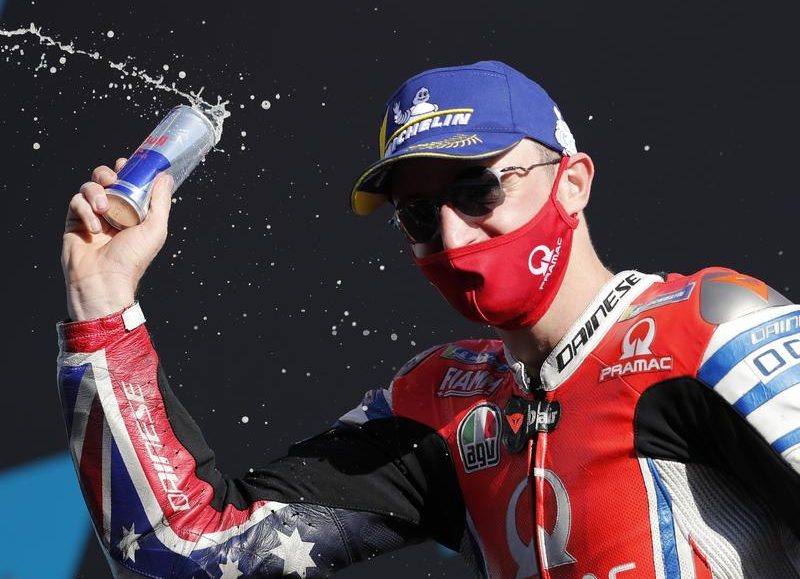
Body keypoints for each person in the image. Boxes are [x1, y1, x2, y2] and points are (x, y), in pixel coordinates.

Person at [57, 60, 800, 579]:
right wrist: (102, 303)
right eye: (418, 212)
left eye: (477, 189)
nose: (451, 234)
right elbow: (183, 553)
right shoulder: (441, 403)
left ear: (572, 183)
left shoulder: (705, 330)